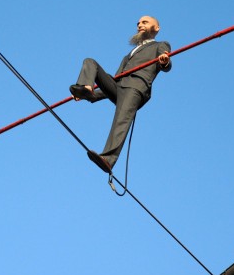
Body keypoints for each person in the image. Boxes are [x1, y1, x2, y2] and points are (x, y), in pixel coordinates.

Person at [69, 15, 172, 173]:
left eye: (145, 22)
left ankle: (108, 159)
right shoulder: (128, 56)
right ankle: (87, 88)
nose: (139, 25)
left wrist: (165, 61)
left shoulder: (160, 45)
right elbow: (116, 81)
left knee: (121, 120)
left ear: (156, 28)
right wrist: (91, 96)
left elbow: (165, 62)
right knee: (90, 62)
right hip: (120, 87)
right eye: (138, 23)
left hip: (135, 88)